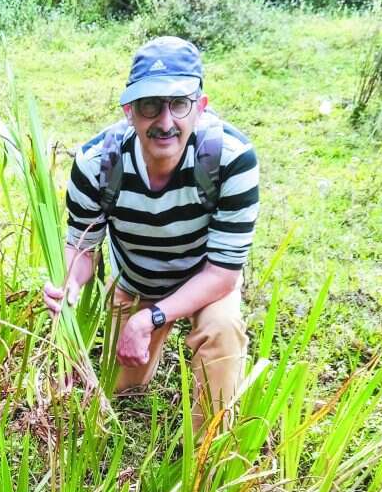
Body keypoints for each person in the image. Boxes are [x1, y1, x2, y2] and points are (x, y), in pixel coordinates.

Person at [43, 36, 259, 431]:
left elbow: (224, 273)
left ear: (201, 106)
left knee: (222, 331)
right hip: (137, 282)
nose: (164, 122)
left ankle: (207, 457)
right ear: (130, 111)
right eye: (149, 106)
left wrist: (149, 320)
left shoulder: (231, 158)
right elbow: (82, 248)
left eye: (179, 104)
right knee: (112, 393)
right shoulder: (96, 164)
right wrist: (69, 286)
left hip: (205, 280)